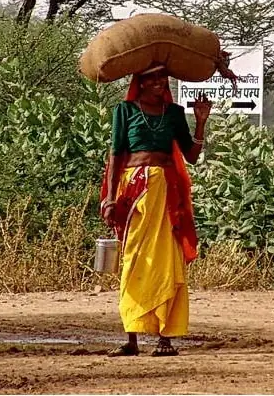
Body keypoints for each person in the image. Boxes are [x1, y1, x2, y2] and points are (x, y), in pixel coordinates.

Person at [101, 64, 212, 357]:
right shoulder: (123, 111)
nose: (159, 82)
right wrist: (110, 198)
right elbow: (115, 156)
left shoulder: (174, 114)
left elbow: (191, 156)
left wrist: (200, 121)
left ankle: (166, 339)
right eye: (152, 77)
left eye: (163, 77)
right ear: (140, 81)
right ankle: (132, 339)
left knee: (167, 261)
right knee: (135, 259)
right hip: (134, 192)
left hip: (166, 193)